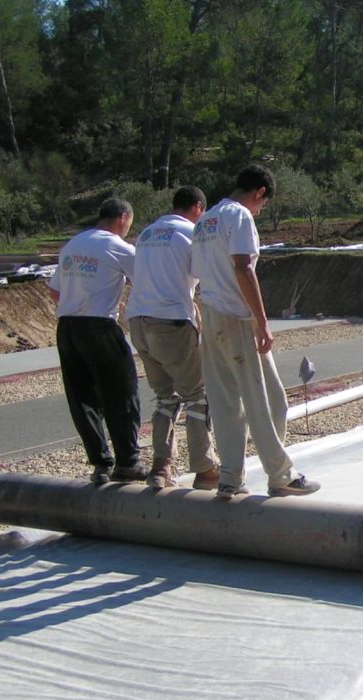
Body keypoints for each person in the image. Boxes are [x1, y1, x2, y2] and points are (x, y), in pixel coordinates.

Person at [191, 164, 320, 500]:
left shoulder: (205, 220)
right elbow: (243, 266)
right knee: (265, 399)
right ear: (259, 192)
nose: (262, 210)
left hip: (211, 313)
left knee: (225, 403)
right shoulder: (239, 216)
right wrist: (261, 321)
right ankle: (280, 475)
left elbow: (200, 270)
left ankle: (231, 479)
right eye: (264, 203)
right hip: (236, 317)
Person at [127, 186, 220, 490]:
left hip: (138, 322)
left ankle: (160, 468)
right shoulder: (190, 234)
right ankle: (205, 469)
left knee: (165, 398)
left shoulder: (147, 234)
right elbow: (205, 276)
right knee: (197, 397)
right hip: (171, 322)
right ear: (197, 207)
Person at [48, 197, 146, 485]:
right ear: (123, 219)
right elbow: (145, 278)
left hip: (67, 327)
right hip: (100, 325)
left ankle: (101, 463)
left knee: (82, 398)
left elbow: (55, 291)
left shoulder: (73, 245)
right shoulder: (118, 247)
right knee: (122, 391)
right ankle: (128, 461)